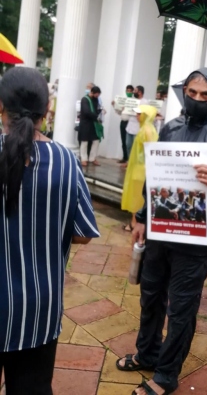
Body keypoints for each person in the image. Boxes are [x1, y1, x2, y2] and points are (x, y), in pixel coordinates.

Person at [116, 68, 207, 395]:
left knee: (181, 308)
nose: (196, 99)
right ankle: (147, 351)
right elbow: (155, 179)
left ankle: (166, 374)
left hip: (195, 241)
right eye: (192, 93)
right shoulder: (172, 128)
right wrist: (141, 217)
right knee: (150, 296)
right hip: (161, 231)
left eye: (204, 95)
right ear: (184, 92)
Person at [0, 67, 100, 395]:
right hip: (38, 310)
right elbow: (83, 232)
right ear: (47, 111)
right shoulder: (66, 162)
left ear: (1, 107)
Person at [121, 105, 158, 231]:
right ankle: (134, 222)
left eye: (139, 114)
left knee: (136, 196)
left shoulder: (146, 131)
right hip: (141, 168)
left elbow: (149, 151)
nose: (137, 116)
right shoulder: (148, 129)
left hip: (141, 169)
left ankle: (134, 223)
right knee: (137, 196)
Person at [78, 86, 103, 167]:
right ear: (92, 92)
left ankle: (92, 158)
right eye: (97, 94)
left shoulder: (95, 100)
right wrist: (96, 116)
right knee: (84, 142)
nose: (97, 96)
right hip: (86, 123)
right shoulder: (84, 99)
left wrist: (100, 111)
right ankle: (83, 159)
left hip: (93, 124)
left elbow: (96, 109)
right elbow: (86, 112)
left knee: (96, 141)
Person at [112, 84, 134, 165]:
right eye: (127, 90)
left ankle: (129, 159)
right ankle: (124, 157)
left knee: (129, 142)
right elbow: (119, 112)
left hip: (129, 122)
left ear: (132, 92)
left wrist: (128, 108)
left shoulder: (133, 101)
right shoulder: (123, 100)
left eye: (130, 91)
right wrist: (114, 105)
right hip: (123, 121)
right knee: (123, 140)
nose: (128, 92)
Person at [125, 85, 147, 161]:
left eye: (135, 91)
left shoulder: (145, 102)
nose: (133, 92)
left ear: (140, 92)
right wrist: (125, 108)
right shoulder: (133, 101)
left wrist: (138, 113)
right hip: (130, 126)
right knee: (128, 145)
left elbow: (145, 114)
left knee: (136, 147)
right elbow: (128, 111)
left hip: (138, 127)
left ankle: (135, 163)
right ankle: (129, 161)